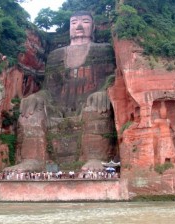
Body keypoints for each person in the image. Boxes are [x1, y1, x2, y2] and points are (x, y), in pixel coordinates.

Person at [15, 11, 115, 172]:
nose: (79, 26)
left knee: (96, 108)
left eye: (85, 22)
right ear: (69, 27)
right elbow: (48, 89)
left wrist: (104, 92)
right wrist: (36, 96)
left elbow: (113, 79)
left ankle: (95, 158)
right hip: (58, 109)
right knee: (31, 111)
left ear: (93, 27)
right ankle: (32, 160)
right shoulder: (56, 55)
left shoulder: (104, 50)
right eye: (74, 23)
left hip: (88, 104)